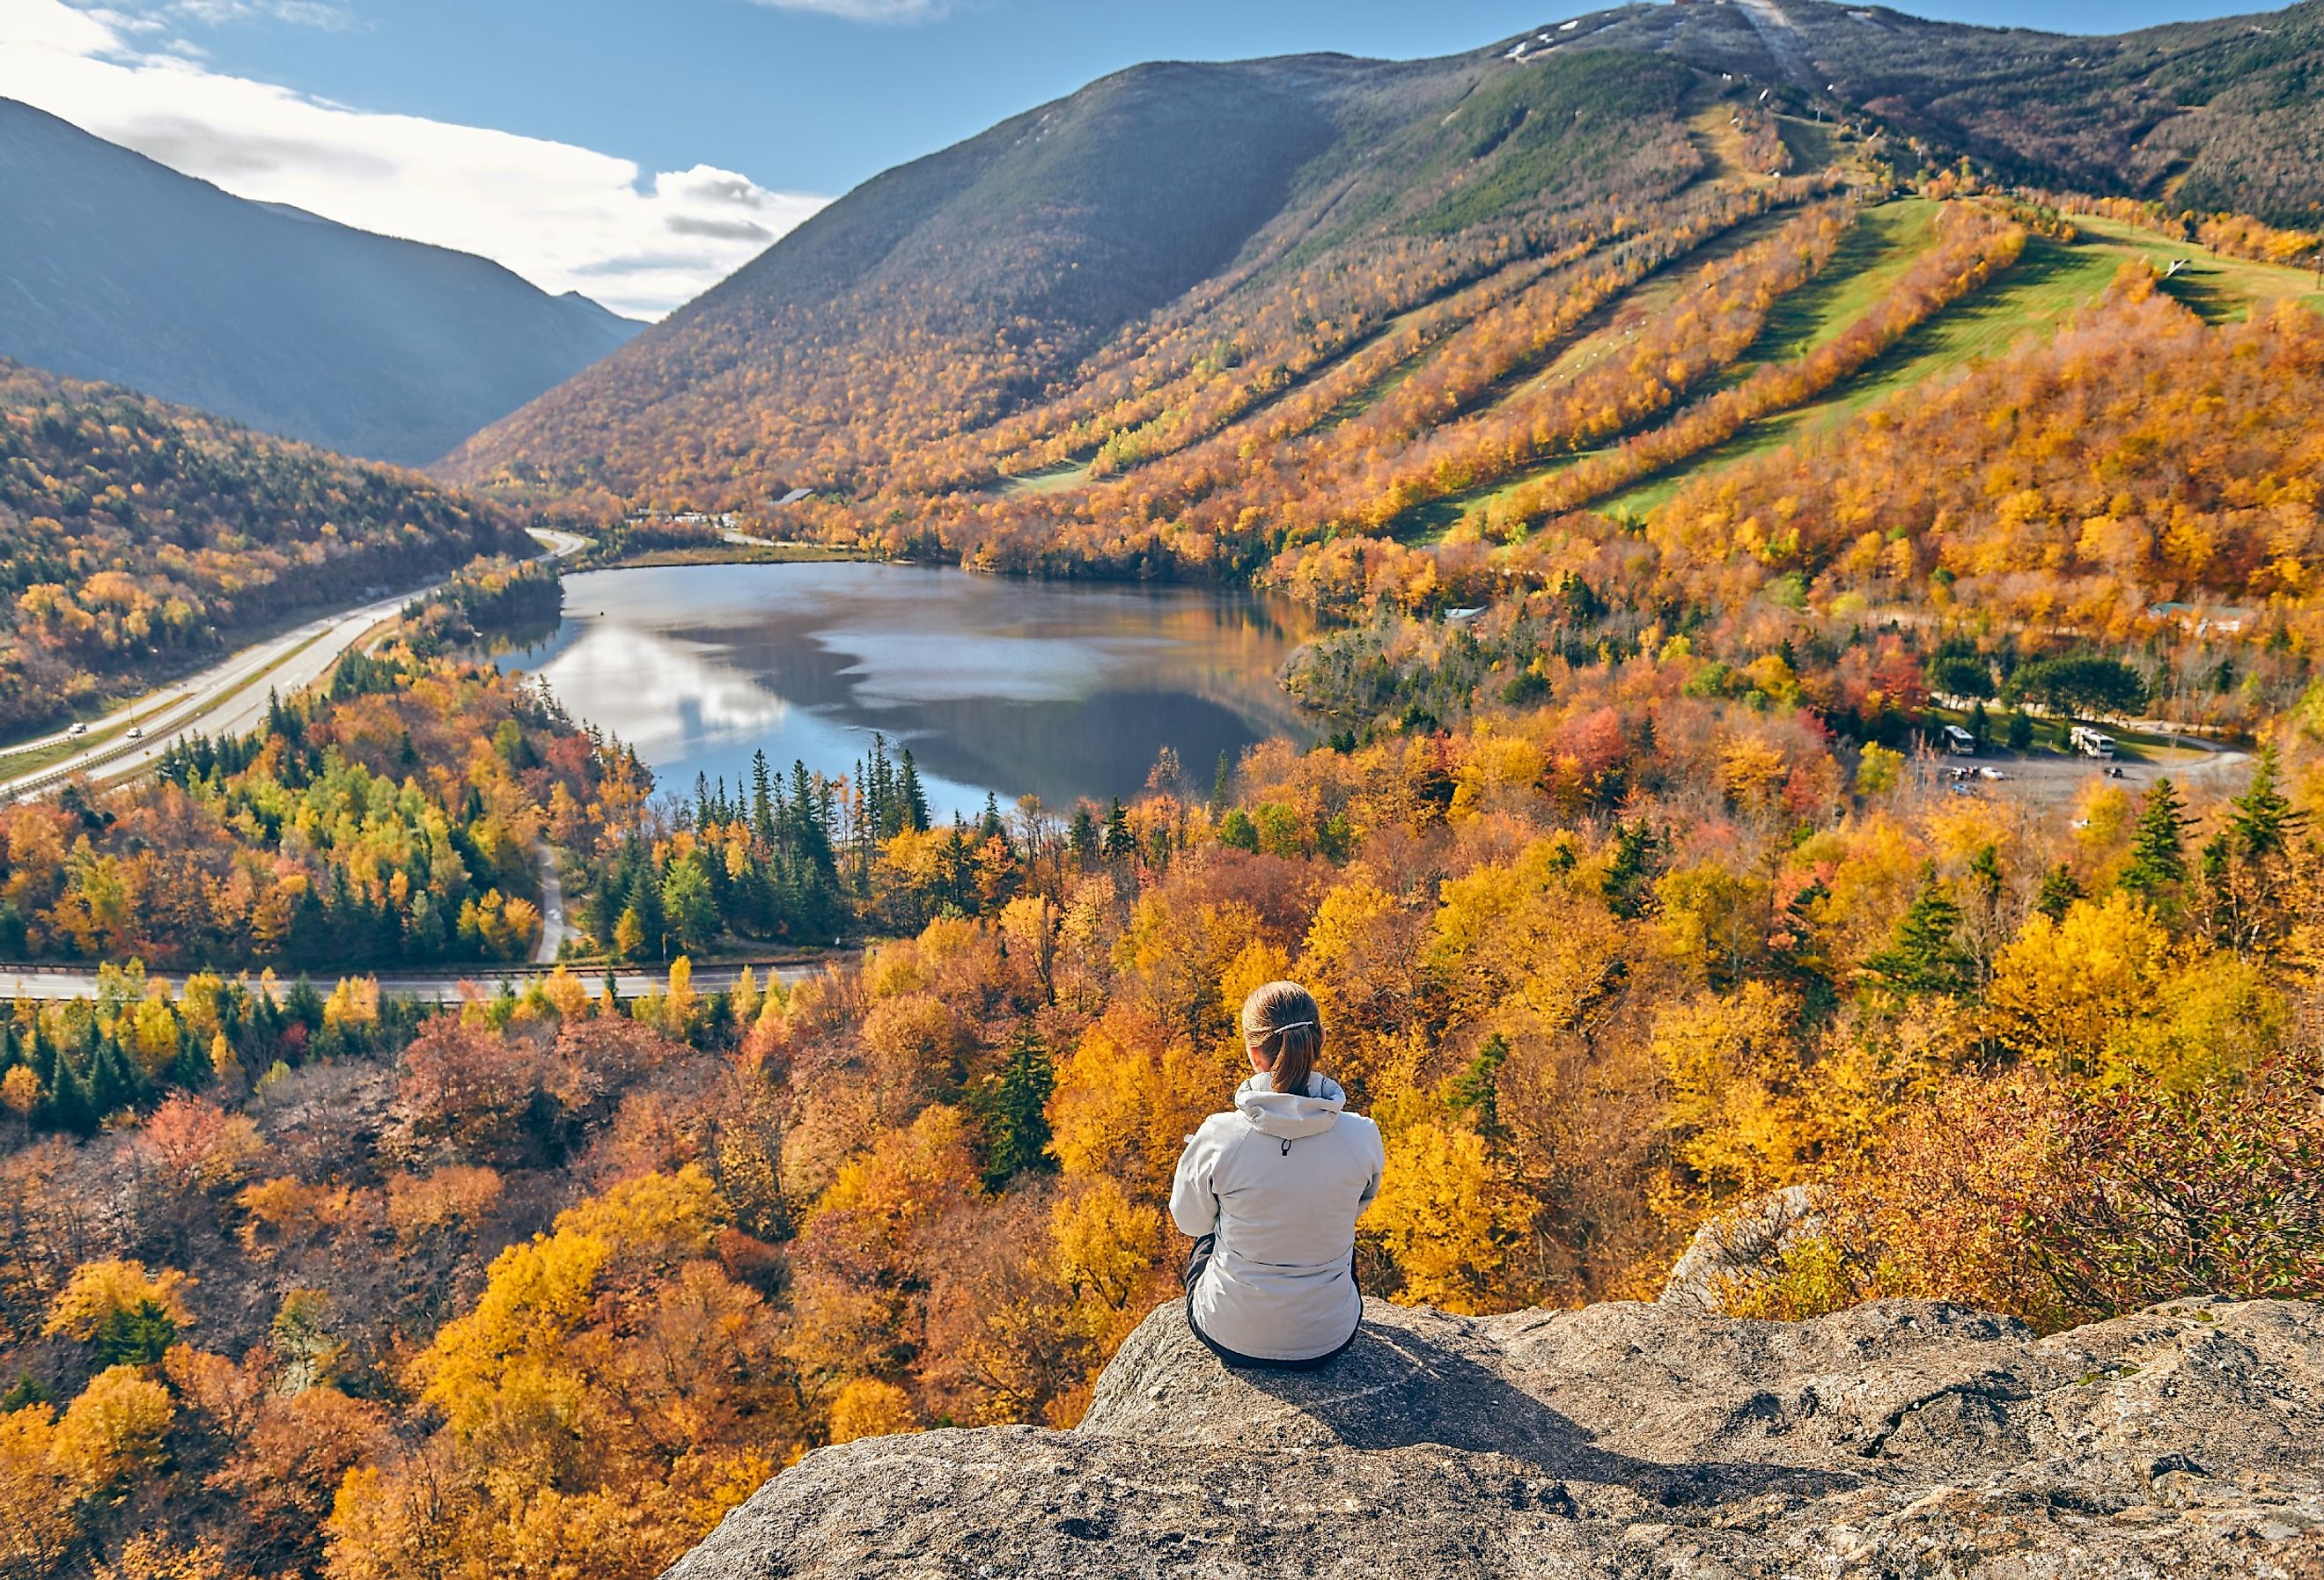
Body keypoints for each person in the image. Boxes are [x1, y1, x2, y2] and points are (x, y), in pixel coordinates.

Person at [1169, 980, 1386, 1369]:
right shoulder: (1362, 1135)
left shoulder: (1220, 1136)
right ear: (1321, 1037)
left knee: (1208, 1234)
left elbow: (1189, 1221)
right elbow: (1355, 1208)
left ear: (1254, 1055)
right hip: (1330, 1339)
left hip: (1229, 1333)